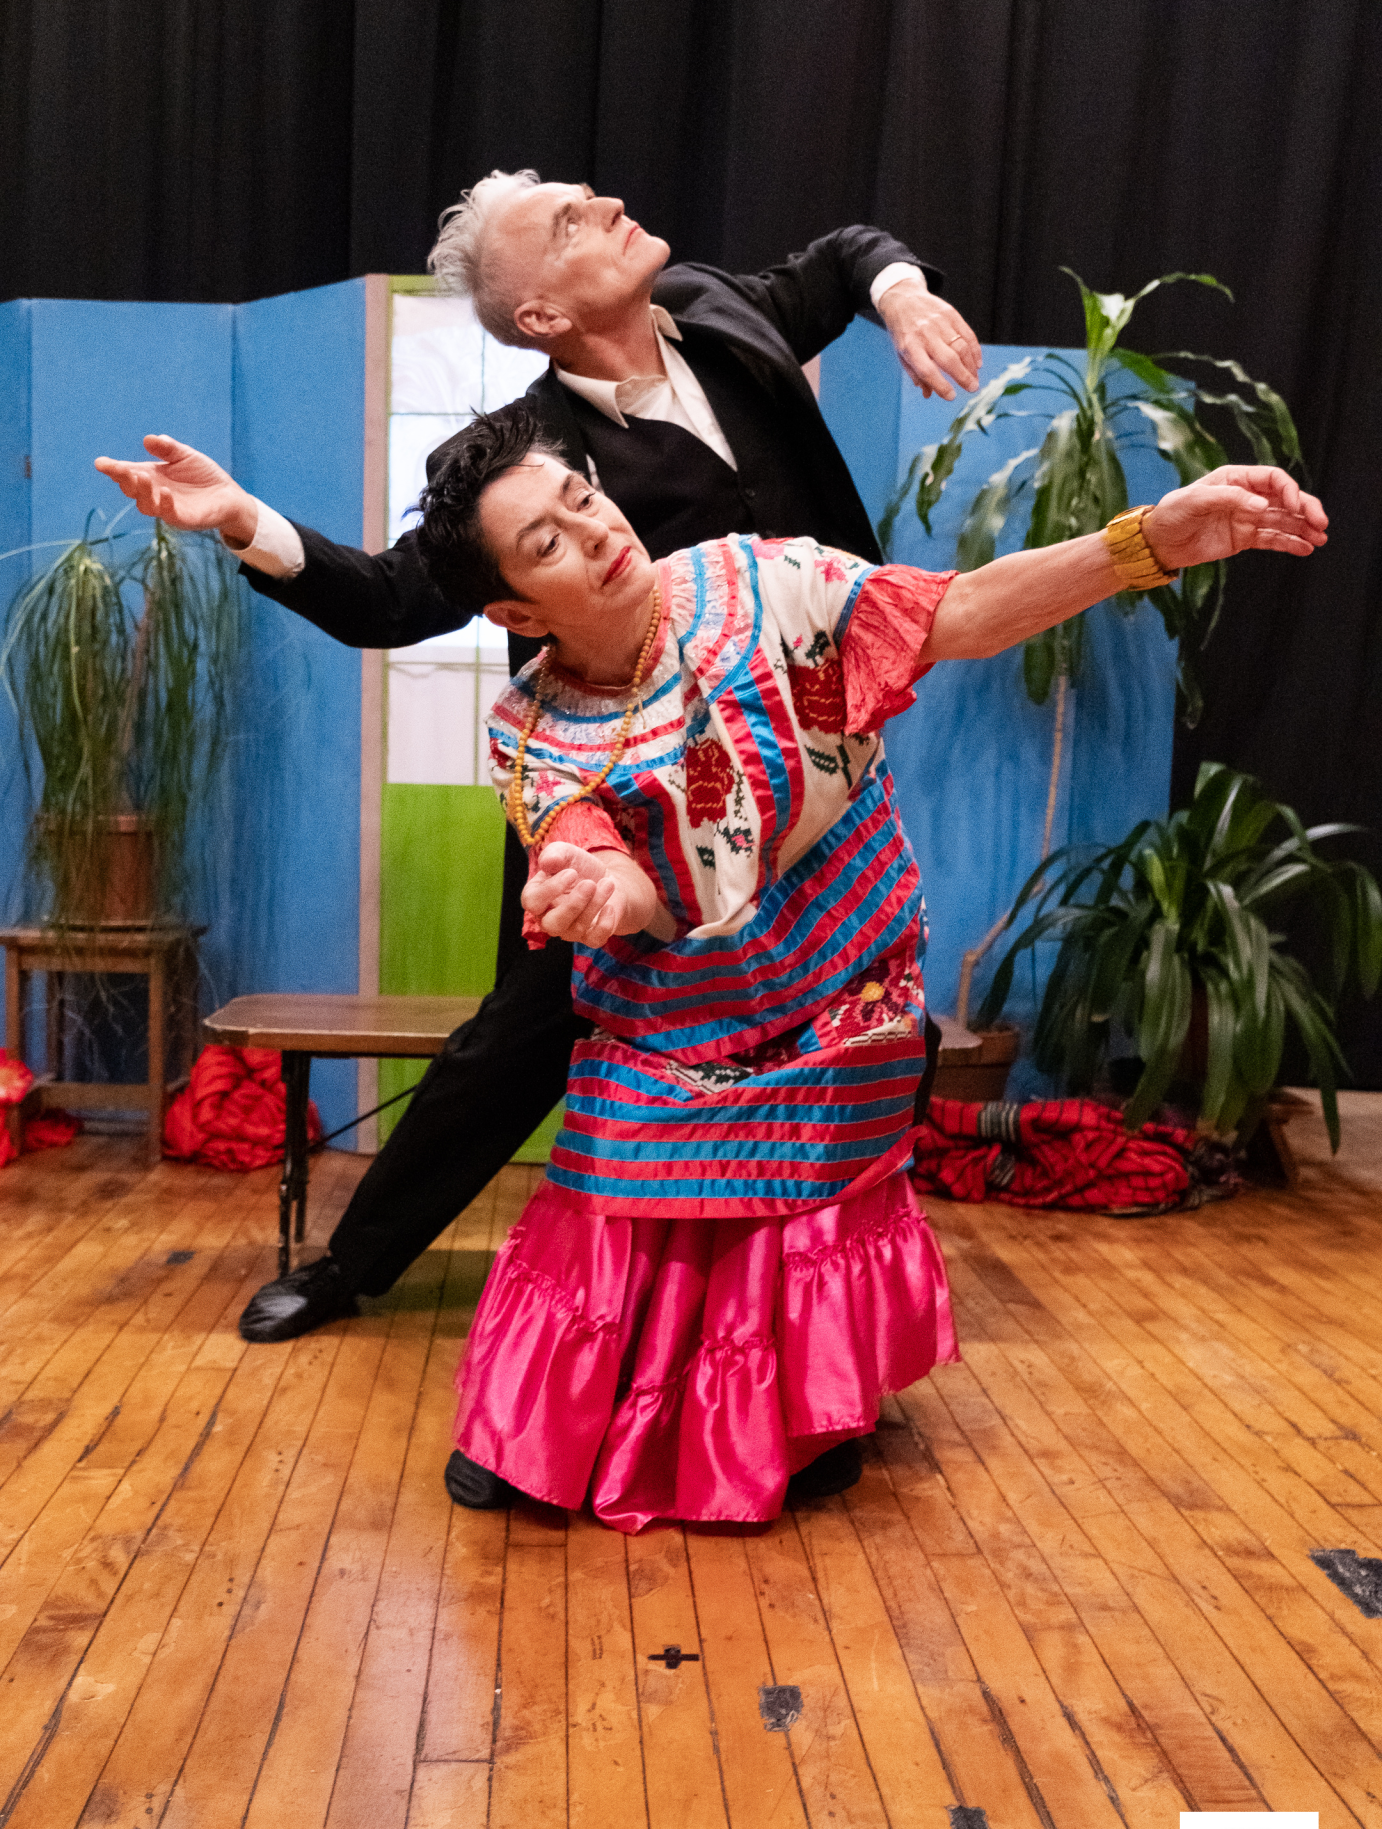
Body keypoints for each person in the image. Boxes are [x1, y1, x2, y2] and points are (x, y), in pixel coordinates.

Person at [95, 172, 982, 1349]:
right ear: (540, 319)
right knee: (513, 1044)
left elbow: (843, 251)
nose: (605, 203)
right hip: (618, 789)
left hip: (805, 770)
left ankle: (821, 1304)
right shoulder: (524, 462)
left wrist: (902, 292)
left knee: (877, 1025)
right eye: (566, 222)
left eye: (584, 197)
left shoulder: (714, 303)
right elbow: (391, 596)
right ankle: (352, 1263)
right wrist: (246, 520)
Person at [411, 411, 1325, 1524]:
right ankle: (554, 1423)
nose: (593, 532)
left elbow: (957, 615)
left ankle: (791, 1415)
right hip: (669, 1017)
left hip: (833, 981)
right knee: (612, 1198)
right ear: (512, 611)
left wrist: (1149, 542)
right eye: (545, 543)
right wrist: (611, 892)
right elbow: (592, 855)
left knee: (791, 1208)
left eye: (581, 500)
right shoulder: (531, 729)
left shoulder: (766, 584)